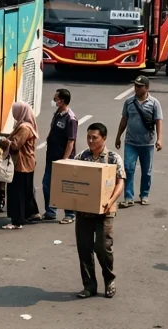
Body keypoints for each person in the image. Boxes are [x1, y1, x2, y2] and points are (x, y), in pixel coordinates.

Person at [73, 122, 125, 299]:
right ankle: (89, 286)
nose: (90, 141)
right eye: (88, 137)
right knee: (84, 248)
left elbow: (120, 182)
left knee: (103, 247)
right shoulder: (81, 157)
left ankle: (109, 280)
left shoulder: (113, 158)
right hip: (84, 212)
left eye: (94, 137)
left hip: (105, 212)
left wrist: (110, 201)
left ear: (104, 138)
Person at [0, 101, 41, 230]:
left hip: (21, 164)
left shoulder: (24, 128)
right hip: (28, 163)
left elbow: (15, 145)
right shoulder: (25, 125)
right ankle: (31, 213)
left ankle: (17, 220)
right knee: (26, 190)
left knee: (16, 192)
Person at [115, 75, 164, 208]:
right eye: (135, 85)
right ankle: (129, 197)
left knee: (146, 171)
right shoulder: (129, 102)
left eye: (139, 86)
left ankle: (144, 195)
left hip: (147, 143)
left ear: (146, 88)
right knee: (128, 169)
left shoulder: (154, 103)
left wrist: (159, 139)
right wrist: (118, 136)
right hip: (131, 142)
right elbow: (124, 119)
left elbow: (158, 121)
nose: (136, 88)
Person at [44, 88, 78, 224]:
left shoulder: (71, 118)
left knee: (66, 186)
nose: (53, 101)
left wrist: (65, 160)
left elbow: (71, 141)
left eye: (55, 99)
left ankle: (70, 214)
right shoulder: (58, 113)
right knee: (47, 184)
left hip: (63, 157)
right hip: (51, 155)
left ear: (61, 101)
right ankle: (51, 211)